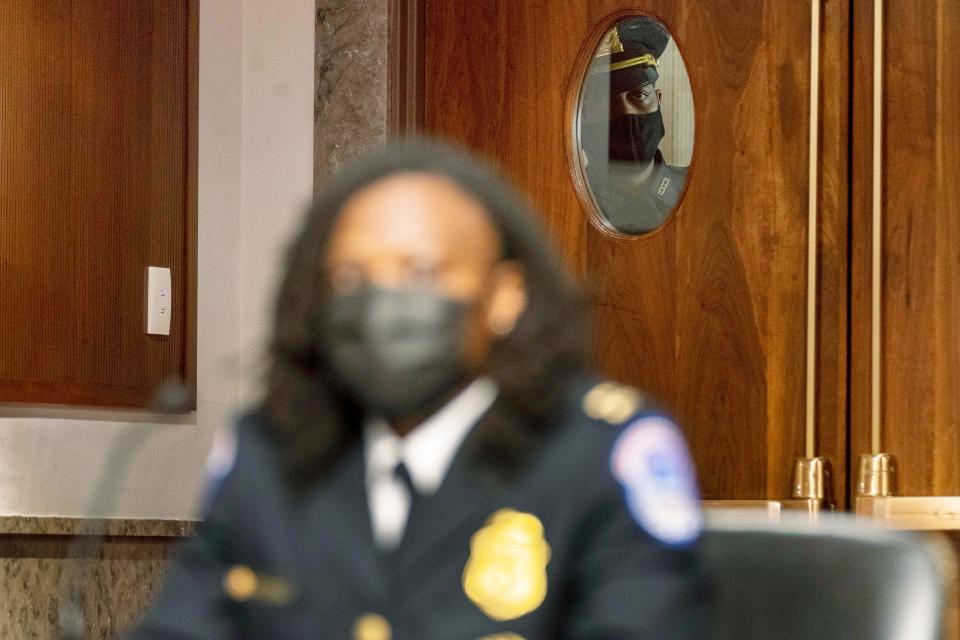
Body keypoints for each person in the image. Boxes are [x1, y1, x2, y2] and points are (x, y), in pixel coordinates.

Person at [129, 140, 709, 639]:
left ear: (505, 295)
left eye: (421, 271)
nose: (385, 304)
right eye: (352, 277)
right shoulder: (268, 455)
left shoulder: (599, 454)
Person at [581, 16, 688, 234]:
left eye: (639, 95)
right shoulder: (564, 201)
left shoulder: (697, 189)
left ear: (658, 99)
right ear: (581, 116)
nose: (627, 113)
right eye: (606, 102)